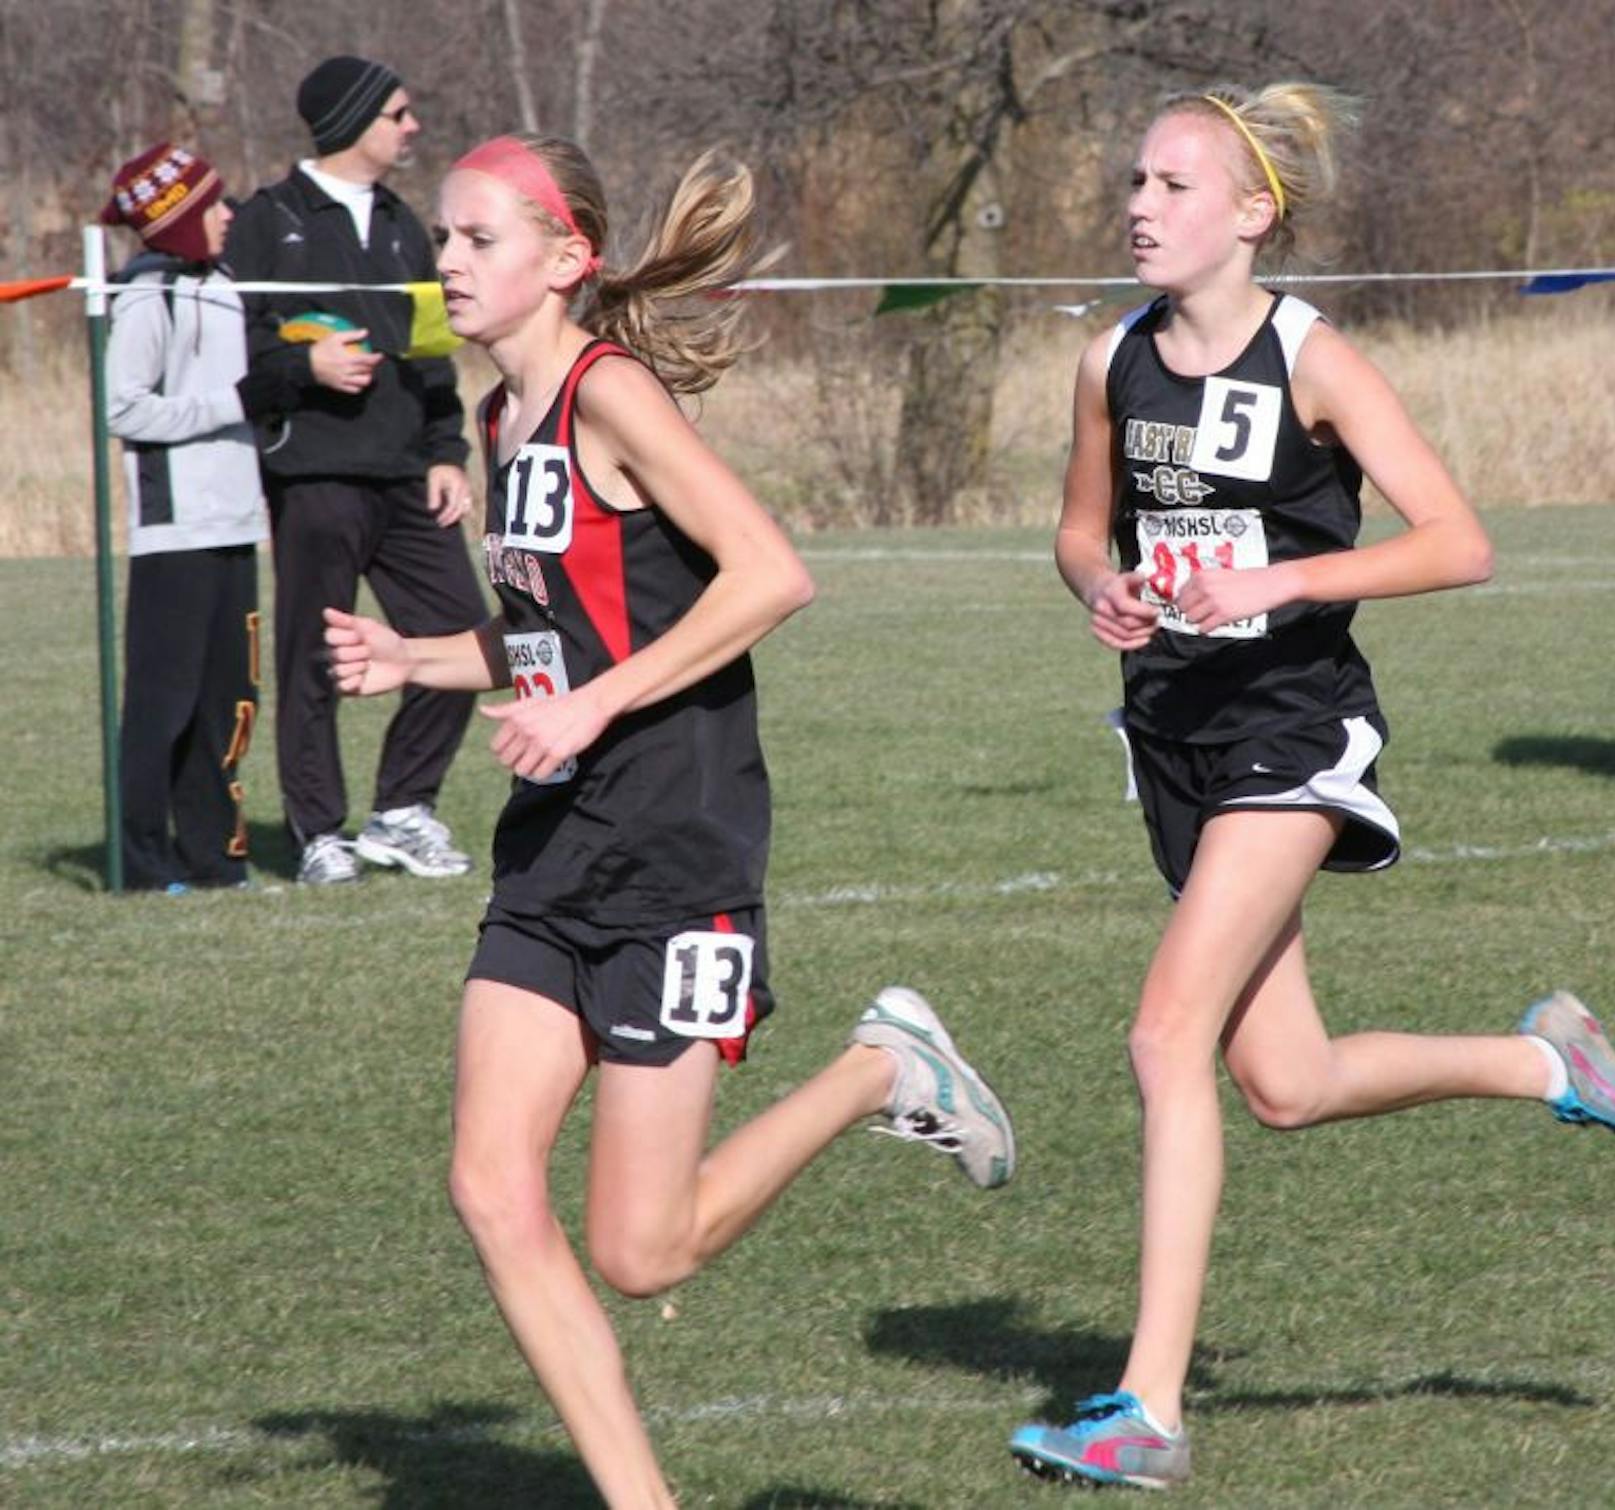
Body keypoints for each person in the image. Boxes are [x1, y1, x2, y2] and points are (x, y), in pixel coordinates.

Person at [322, 132, 1016, 1506]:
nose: (445, 261)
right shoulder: (496, 419)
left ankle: (883, 1068)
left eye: (475, 240)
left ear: (564, 261)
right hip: (551, 852)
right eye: (444, 238)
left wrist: (590, 711)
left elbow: (771, 574)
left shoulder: (607, 393)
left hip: (677, 847)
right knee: (488, 1185)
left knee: (644, 1250)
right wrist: (418, 661)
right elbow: (554, 647)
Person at [1006, 84, 1615, 1492]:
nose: (1141, 204)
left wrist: (1285, 575)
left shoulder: (1315, 359)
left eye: (1176, 186)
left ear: (1252, 214)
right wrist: (1108, 587)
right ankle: (1556, 1062)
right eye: (1137, 180)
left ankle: (1147, 1406)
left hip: (1293, 729)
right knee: (1286, 1083)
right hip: (1177, 737)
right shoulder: (1108, 364)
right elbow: (1078, 531)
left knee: (1161, 1035)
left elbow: (1460, 543)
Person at [225, 55, 491, 883]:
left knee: (467, 635)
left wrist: (448, 451)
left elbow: (432, 349)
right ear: (350, 122)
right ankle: (317, 834)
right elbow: (235, 361)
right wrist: (308, 371)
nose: (412, 128)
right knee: (317, 656)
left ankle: (403, 812)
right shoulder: (266, 221)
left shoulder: (408, 224)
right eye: (398, 114)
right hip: (315, 478)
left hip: (409, 476)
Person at [101, 143, 297, 892]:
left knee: (228, 702)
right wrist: (232, 404)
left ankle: (216, 858)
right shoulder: (149, 295)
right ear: (178, 221)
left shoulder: (224, 284)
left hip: (235, 523)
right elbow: (123, 407)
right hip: (174, 532)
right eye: (213, 206)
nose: (228, 216)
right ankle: (143, 864)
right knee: (163, 704)